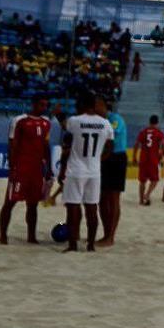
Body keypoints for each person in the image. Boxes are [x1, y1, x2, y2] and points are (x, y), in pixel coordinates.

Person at [58, 92, 113, 252]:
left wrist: (58, 114)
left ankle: (73, 245)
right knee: (92, 208)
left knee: (73, 207)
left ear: (82, 105)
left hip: (76, 170)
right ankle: (90, 245)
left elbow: (64, 124)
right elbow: (110, 146)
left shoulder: (76, 121)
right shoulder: (105, 123)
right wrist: (99, 159)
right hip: (94, 171)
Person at [0, 96, 54, 244]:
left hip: (37, 169)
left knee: (33, 204)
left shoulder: (46, 122)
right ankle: (3, 235)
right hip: (21, 167)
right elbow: (12, 144)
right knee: (10, 201)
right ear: (34, 104)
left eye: (46, 105)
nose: (44, 107)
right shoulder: (19, 120)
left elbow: (46, 146)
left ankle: (31, 236)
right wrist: (12, 166)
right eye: (41, 104)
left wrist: (49, 167)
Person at [95, 96, 128, 247]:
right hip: (103, 158)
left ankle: (111, 236)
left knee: (113, 198)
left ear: (103, 106)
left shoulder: (115, 119)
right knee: (102, 198)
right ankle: (106, 233)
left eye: (96, 106)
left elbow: (110, 135)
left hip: (116, 158)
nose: (94, 109)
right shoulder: (98, 121)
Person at [134, 115, 164, 206]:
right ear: (157, 122)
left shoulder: (143, 132)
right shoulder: (159, 132)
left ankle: (141, 200)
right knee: (155, 180)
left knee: (142, 181)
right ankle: (147, 194)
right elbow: (163, 145)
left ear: (149, 121)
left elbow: (136, 144)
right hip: (153, 159)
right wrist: (160, 156)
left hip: (143, 159)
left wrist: (134, 157)